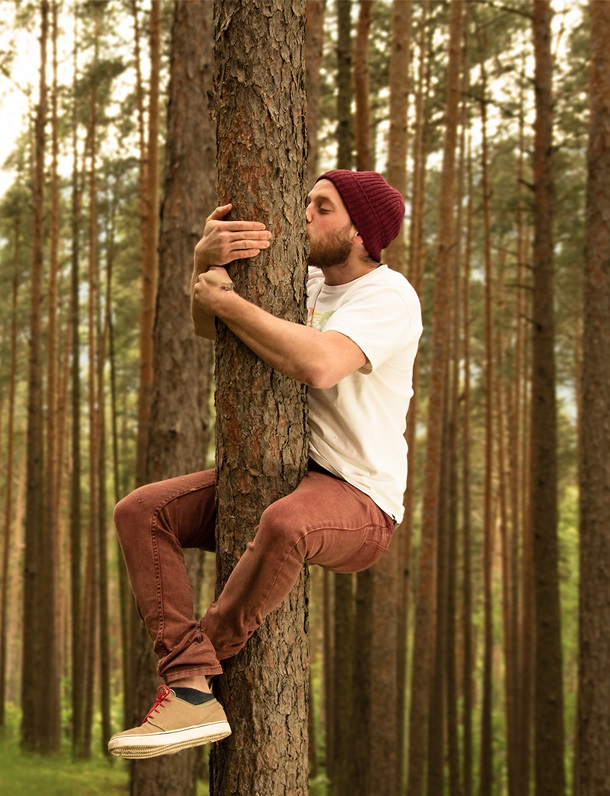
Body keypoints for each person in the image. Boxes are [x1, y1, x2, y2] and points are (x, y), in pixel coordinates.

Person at [107, 170, 421, 760]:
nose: (304, 214)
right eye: (307, 201)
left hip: (361, 501)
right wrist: (205, 264)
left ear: (360, 232)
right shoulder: (299, 281)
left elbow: (320, 365)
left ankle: (193, 678)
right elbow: (211, 327)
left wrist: (226, 300)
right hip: (292, 474)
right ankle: (190, 684)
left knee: (286, 523)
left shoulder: (389, 297)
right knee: (142, 511)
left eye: (322, 208)